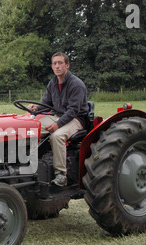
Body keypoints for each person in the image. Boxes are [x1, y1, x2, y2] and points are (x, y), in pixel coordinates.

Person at [29, 52, 89, 187]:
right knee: (30, 128)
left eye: (60, 63)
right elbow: (46, 103)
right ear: (52, 66)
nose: (57, 66)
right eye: (54, 63)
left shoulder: (76, 84)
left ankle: (61, 175)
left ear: (67, 65)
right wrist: (36, 109)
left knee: (57, 136)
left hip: (76, 119)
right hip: (57, 116)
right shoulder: (53, 83)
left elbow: (73, 111)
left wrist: (57, 124)